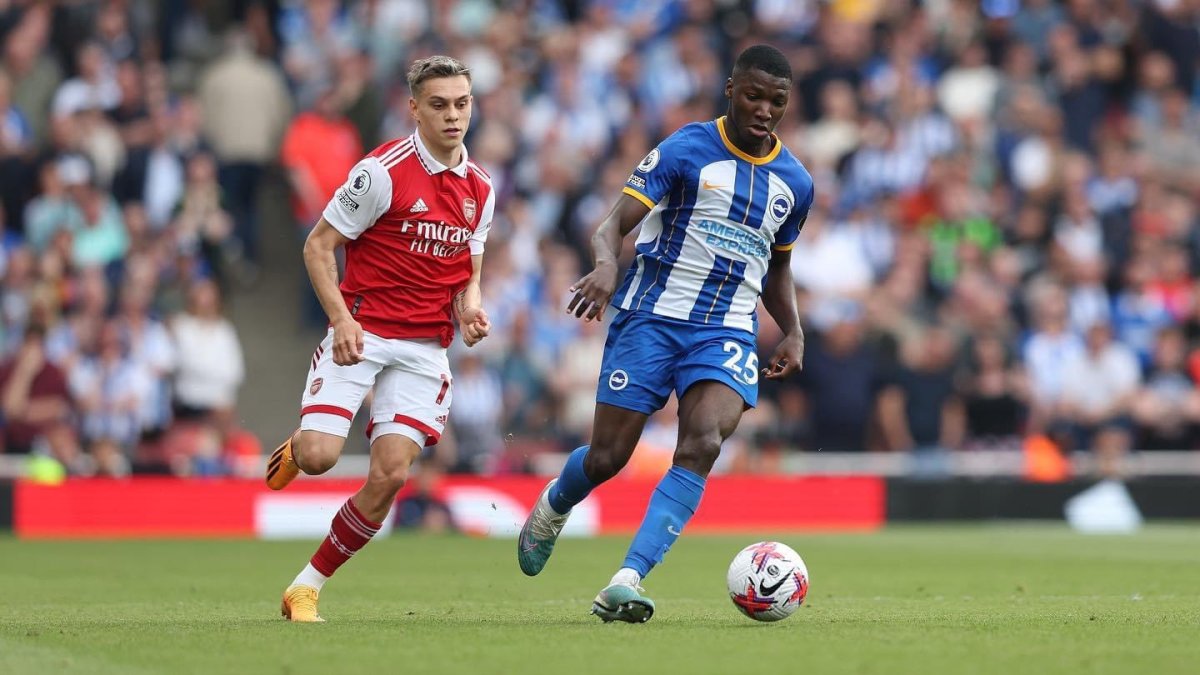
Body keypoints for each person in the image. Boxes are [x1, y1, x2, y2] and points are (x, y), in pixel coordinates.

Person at [516, 45, 813, 624]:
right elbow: (612, 224)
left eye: (777, 101)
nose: (764, 110)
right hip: (650, 317)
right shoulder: (686, 149)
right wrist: (606, 265)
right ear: (730, 89)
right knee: (607, 458)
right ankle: (556, 504)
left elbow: (776, 266)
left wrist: (794, 330)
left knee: (703, 442)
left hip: (725, 328)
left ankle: (626, 579)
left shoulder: (795, 183)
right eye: (753, 95)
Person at [264, 55, 494, 623]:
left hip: (424, 349)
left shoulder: (482, 187)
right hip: (363, 332)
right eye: (439, 105)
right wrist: (342, 319)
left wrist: (471, 309)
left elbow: (470, 264)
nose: (453, 116)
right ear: (414, 108)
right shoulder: (381, 172)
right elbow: (318, 246)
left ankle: (305, 587)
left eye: (462, 103)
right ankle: (297, 448)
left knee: (390, 474)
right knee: (320, 457)